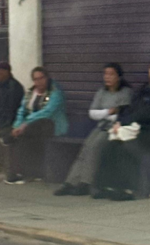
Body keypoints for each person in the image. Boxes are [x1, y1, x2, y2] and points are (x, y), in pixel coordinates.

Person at [93, 60, 150, 200]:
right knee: (110, 145)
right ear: (149, 70)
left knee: (128, 146)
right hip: (138, 128)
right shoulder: (143, 89)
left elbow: (147, 113)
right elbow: (131, 108)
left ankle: (131, 189)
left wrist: (125, 123)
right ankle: (107, 186)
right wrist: (120, 122)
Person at [54, 63, 133, 196]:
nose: (107, 77)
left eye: (111, 74)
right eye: (105, 74)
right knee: (85, 148)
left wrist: (105, 114)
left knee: (95, 147)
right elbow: (92, 113)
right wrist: (109, 111)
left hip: (113, 129)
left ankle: (86, 182)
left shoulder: (125, 92)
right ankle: (70, 182)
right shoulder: (101, 92)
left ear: (119, 76)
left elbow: (121, 114)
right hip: (100, 126)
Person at [2, 67, 68, 184]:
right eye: (36, 79)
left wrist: (25, 124)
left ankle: (20, 172)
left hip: (51, 125)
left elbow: (47, 112)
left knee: (24, 133)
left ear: (47, 78)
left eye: (41, 78)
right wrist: (17, 126)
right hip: (32, 127)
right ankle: (14, 173)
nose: (39, 82)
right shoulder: (30, 93)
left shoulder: (55, 93)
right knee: (18, 134)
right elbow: (22, 110)